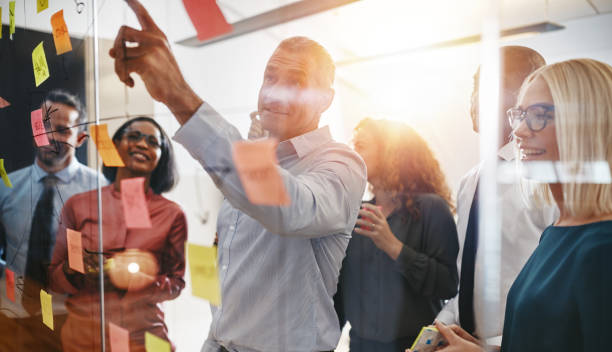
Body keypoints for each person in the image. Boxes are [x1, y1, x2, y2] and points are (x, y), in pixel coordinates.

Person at [109, 1, 367, 351]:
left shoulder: (341, 164)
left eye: (296, 82)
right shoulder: (254, 155)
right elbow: (229, 279)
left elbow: (289, 207)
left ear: (325, 99)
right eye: (271, 77)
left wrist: (178, 95)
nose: (276, 91)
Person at [433, 58, 612, 352]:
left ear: (590, 125)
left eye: (540, 115)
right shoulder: (558, 231)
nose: (519, 131)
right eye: (520, 115)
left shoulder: (603, 247)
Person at [435, 46, 558, 346]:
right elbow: (469, 277)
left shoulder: (548, 179)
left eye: (484, 86)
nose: (473, 100)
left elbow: (561, 294)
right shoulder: (469, 181)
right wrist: (441, 327)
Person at [47, 117, 187, 351]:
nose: (143, 144)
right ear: (116, 145)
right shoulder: (78, 206)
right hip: (84, 340)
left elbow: (176, 285)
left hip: (145, 340)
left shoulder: (172, 214)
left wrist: (135, 278)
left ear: (162, 156)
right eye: (134, 136)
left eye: (153, 142)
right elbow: (54, 279)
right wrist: (75, 268)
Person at [334, 118, 459, 351]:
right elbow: (340, 294)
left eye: (361, 145)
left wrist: (393, 246)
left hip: (415, 346)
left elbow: (447, 285)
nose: (353, 153)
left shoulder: (432, 209)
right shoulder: (353, 214)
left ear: (389, 151)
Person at [0, 90, 101, 351]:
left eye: (62, 130)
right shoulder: (6, 186)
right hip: (12, 318)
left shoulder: (100, 191)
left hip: (73, 321)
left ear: (81, 138)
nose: (49, 136)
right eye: (43, 126)